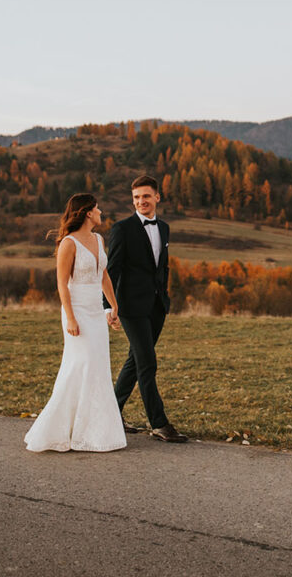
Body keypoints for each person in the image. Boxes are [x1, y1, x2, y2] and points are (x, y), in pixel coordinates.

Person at [24, 193, 126, 452]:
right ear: (88, 212)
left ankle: (96, 431)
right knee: (80, 365)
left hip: (95, 310)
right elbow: (61, 283)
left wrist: (113, 305)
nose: (101, 211)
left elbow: (103, 274)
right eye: (98, 208)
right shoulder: (69, 243)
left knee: (98, 367)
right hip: (77, 311)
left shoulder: (98, 239)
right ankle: (59, 429)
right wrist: (70, 316)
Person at [106, 175, 188, 443]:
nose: (141, 201)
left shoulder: (163, 228)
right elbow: (112, 270)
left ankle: (110, 413)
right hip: (130, 307)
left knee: (135, 361)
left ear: (157, 197)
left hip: (156, 307)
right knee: (147, 364)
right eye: (136, 197)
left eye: (145, 196)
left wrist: (163, 296)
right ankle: (159, 423)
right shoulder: (122, 229)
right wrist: (108, 306)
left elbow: (160, 266)